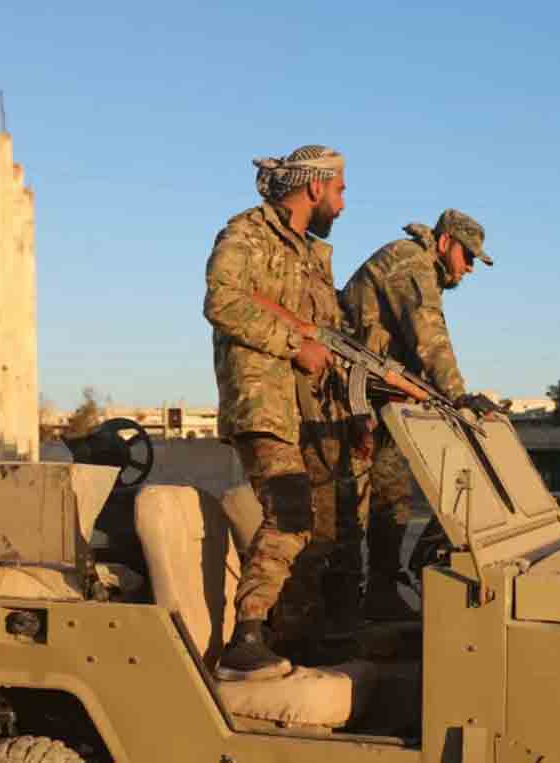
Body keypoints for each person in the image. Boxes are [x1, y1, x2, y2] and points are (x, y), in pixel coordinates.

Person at [203, 144, 360, 680]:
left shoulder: (309, 255)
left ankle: (294, 635)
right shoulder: (247, 234)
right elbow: (222, 300)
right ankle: (245, 639)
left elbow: (327, 337)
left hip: (310, 410)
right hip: (264, 399)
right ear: (315, 186)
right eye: (339, 189)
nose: (342, 203)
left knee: (321, 528)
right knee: (290, 513)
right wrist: (295, 344)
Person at [335, 210, 500, 626]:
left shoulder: (425, 270)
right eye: (467, 256)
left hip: (379, 402)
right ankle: (335, 606)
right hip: (345, 402)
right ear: (444, 243)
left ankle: (381, 595)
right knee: (346, 507)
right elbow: (429, 336)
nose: (468, 268)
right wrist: (458, 395)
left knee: (393, 499)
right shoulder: (410, 262)